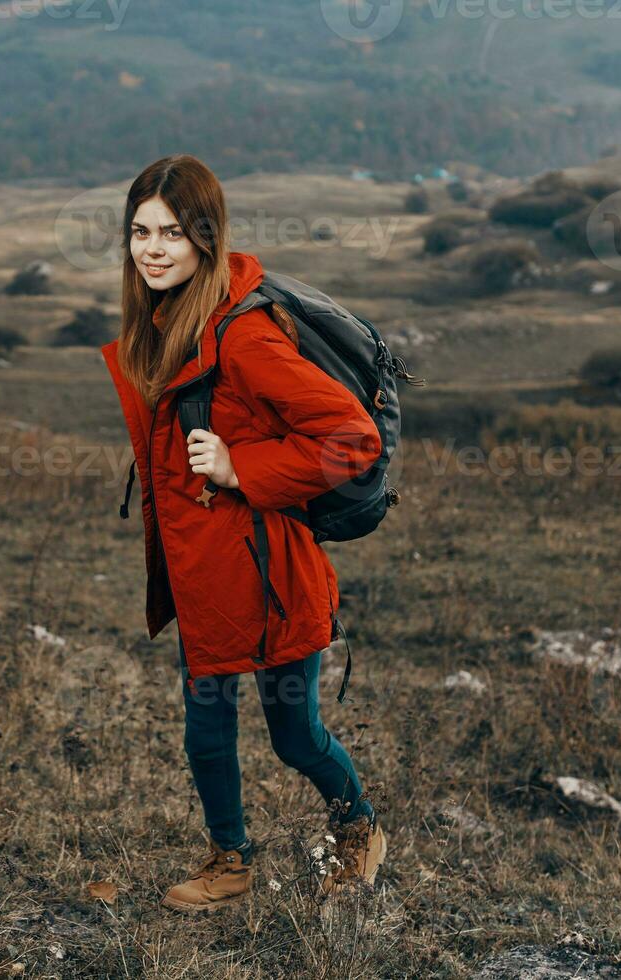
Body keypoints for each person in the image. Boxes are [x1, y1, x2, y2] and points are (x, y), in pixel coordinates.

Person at [98, 154, 388, 913]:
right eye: (139, 231)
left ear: (205, 238)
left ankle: (359, 825)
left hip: (270, 575)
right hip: (205, 576)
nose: (152, 249)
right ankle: (231, 861)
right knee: (206, 729)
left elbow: (352, 438)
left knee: (295, 737)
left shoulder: (246, 335)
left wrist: (238, 465)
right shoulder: (167, 324)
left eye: (171, 233)